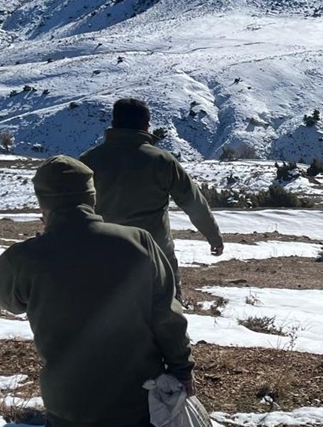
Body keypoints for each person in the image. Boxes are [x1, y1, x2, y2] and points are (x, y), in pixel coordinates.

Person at [0, 156, 193, 427]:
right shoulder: (137, 241)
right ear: (92, 196)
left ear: (42, 202)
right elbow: (166, 315)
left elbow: (10, 302)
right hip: (141, 386)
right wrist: (179, 365)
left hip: (71, 393)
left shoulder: (22, 259)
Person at [79, 97, 224, 298]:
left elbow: (70, 205)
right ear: (147, 126)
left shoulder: (88, 160)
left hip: (104, 253)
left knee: (105, 318)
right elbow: (192, 202)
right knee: (166, 319)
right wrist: (213, 236)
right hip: (156, 254)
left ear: (113, 124)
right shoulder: (163, 161)